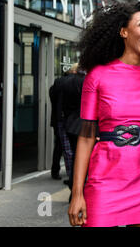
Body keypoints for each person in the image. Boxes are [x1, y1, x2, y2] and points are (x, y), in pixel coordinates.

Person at [68, 1, 140, 227]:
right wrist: (77, 193)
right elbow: (87, 136)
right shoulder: (97, 76)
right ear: (123, 31)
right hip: (104, 178)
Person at [59, 63, 85, 193]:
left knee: (74, 155)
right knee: (84, 156)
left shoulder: (63, 83)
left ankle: (73, 187)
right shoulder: (86, 82)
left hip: (69, 123)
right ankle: (79, 188)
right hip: (85, 124)